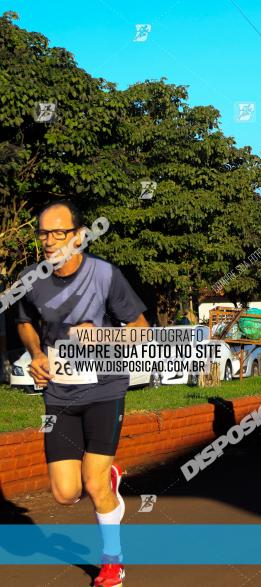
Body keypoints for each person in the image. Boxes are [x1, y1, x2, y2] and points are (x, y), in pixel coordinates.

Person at [14, 200, 149, 587]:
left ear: (79, 235)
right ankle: (109, 480)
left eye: (59, 232)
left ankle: (112, 562)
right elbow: (24, 323)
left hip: (105, 388)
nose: (49, 240)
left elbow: (140, 327)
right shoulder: (31, 279)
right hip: (58, 394)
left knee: (92, 482)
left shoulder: (106, 276)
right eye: (43, 233)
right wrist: (37, 353)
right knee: (64, 493)